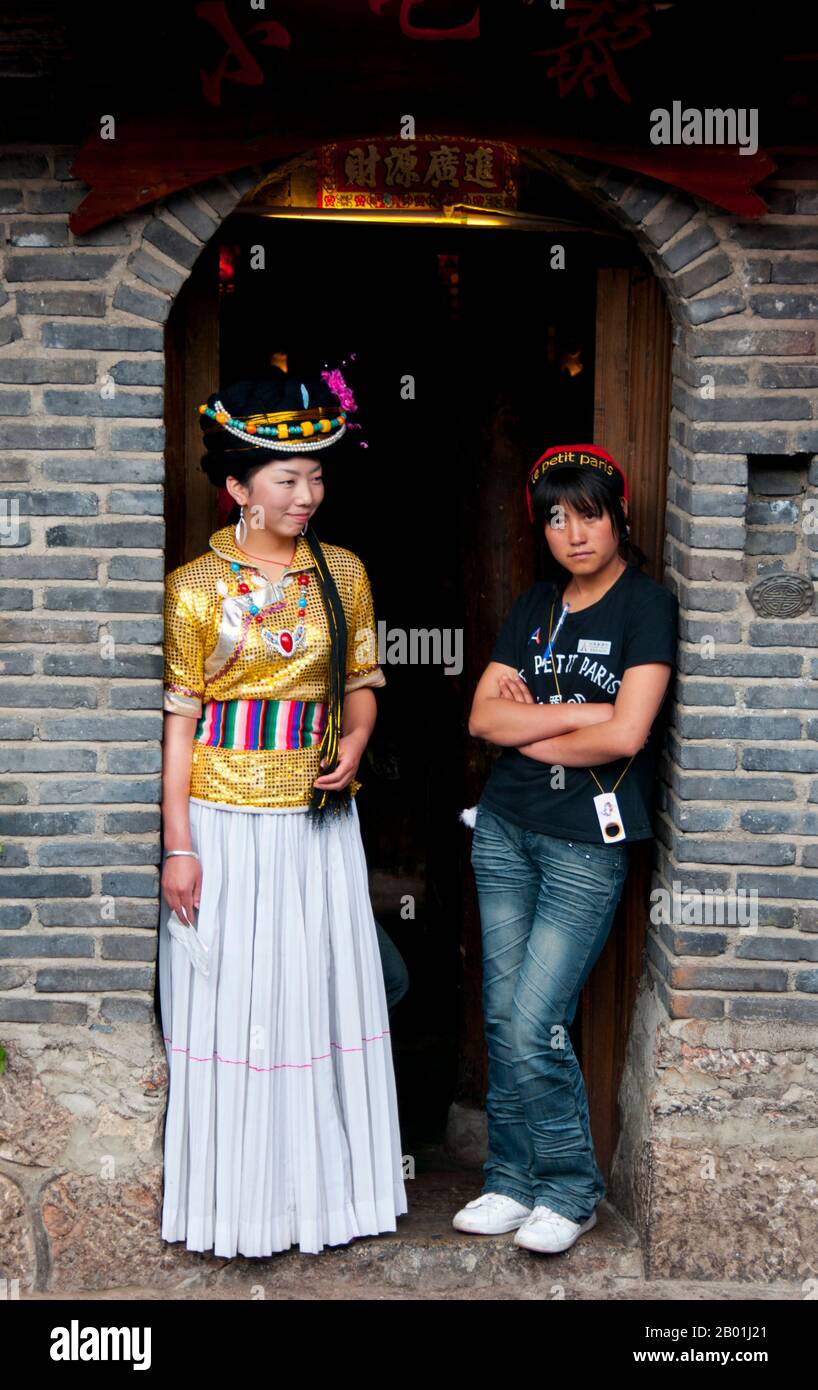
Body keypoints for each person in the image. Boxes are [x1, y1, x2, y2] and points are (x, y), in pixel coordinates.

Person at [158, 360, 408, 1257]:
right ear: (237, 487)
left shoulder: (342, 572)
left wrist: (354, 737)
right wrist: (178, 848)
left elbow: (361, 683)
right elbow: (181, 726)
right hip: (222, 817)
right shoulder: (196, 587)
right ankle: (238, 1209)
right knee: (234, 1003)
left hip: (317, 819)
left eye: (316, 477)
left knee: (315, 996)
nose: (308, 494)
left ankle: (324, 1200)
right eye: (287, 480)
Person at [453, 444, 678, 1255]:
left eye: (588, 514)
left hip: (588, 842)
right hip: (506, 830)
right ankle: (511, 1182)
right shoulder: (536, 607)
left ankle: (570, 1188)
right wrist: (583, 717)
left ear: (618, 515)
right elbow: (484, 721)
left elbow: (629, 733)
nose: (574, 533)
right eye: (555, 517)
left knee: (535, 1020)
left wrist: (540, 724)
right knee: (504, 1011)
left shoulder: (646, 607)